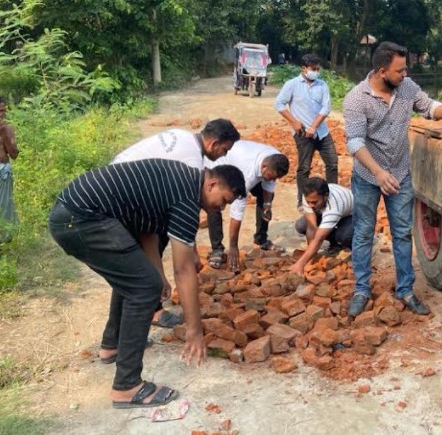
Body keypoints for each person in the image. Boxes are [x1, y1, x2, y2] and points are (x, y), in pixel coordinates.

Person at [48, 160, 245, 409]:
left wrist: (157, 275)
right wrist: (195, 331)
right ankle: (127, 387)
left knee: (138, 280)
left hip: (75, 215)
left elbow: (147, 232)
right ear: (213, 183)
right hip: (82, 220)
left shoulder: (183, 180)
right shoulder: (186, 200)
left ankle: (112, 346)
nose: (222, 208)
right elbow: (184, 270)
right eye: (224, 200)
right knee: (143, 288)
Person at [343, 42, 442, 317]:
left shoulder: (406, 88)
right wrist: (377, 172)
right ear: (382, 71)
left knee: (401, 232)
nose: (405, 74)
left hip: (400, 174)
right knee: (363, 232)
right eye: (400, 70)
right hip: (368, 176)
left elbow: (427, 105)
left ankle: (406, 290)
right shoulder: (356, 99)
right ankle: (361, 289)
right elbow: (354, 142)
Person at [112, 118, 241, 329]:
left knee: (141, 258)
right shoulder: (191, 162)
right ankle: (150, 313)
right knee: (139, 267)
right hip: (123, 197)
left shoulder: (183, 137)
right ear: (214, 143)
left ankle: (116, 336)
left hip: (121, 184)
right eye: (225, 150)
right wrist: (193, 255)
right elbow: (185, 217)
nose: (223, 155)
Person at [205, 140, 290, 271]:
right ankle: (217, 249)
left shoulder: (275, 161)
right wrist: (233, 246)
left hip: (244, 164)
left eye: (275, 178)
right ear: (264, 166)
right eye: (270, 176)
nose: (272, 180)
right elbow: (237, 213)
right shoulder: (247, 173)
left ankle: (261, 240)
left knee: (265, 194)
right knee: (214, 205)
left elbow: (269, 185)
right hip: (219, 165)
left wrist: (267, 205)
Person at [274, 54, 338, 210]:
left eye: (317, 69)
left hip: (321, 132)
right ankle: (303, 201)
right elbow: (279, 104)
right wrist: (295, 123)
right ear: (303, 69)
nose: (316, 72)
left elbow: (326, 107)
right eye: (313, 69)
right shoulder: (292, 85)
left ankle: (332, 198)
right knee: (304, 168)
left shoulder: (322, 85)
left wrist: (314, 126)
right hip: (302, 135)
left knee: (333, 164)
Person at [289, 177, 353, 276]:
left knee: (344, 236)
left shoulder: (334, 206)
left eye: (314, 202)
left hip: (352, 215)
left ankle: (355, 249)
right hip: (329, 212)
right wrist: (310, 257)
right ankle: (334, 243)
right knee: (301, 225)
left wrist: (300, 264)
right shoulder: (309, 195)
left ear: (325, 196)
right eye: (308, 202)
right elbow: (312, 227)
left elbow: (319, 238)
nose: (310, 205)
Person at [0, 97, 19, 238]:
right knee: (4, 206)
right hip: (2, 170)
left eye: (3, 111)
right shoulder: (5, 128)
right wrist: (10, 137)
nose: (2, 114)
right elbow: (13, 154)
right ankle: (5, 238)